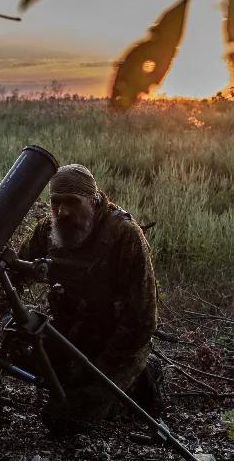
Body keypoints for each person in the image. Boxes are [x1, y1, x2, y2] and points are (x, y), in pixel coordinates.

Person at [17, 163, 162, 433]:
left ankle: (142, 377)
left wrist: (105, 366)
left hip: (118, 343)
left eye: (72, 203)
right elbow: (16, 270)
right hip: (71, 333)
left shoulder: (124, 234)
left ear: (93, 201)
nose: (63, 212)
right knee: (22, 358)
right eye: (56, 203)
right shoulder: (47, 230)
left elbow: (143, 318)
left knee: (63, 421)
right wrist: (11, 313)